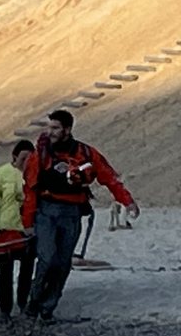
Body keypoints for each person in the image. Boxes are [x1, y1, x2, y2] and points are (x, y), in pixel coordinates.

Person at [24, 109, 138, 323]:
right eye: (50, 127)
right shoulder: (39, 155)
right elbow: (30, 188)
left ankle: (48, 307)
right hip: (46, 212)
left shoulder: (86, 154)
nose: (51, 132)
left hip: (72, 213)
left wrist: (127, 201)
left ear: (67, 129)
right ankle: (34, 303)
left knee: (63, 262)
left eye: (56, 128)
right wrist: (28, 221)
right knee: (47, 259)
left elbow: (109, 178)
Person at [0, 140, 37, 321]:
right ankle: (5, 308)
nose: (26, 162)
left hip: (27, 230)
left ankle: (23, 303)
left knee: (27, 269)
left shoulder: (36, 174)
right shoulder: (2, 173)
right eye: (23, 158)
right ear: (14, 157)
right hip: (5, 229)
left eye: (30, 158)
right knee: (5, 271)